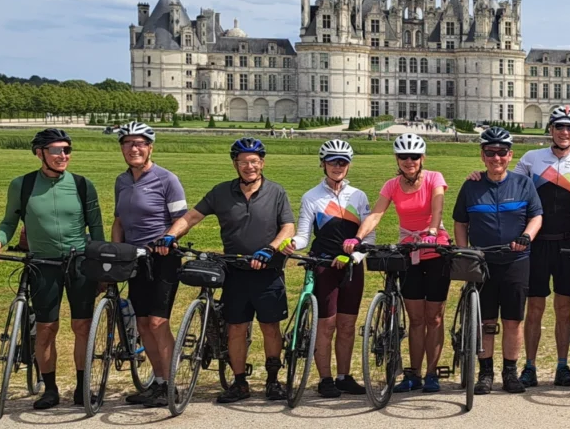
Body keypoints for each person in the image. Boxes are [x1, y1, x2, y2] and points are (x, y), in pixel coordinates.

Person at [156, 137, 296, 403]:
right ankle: (240, 382)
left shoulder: (276, 192)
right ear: (235, 164)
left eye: (254, 161)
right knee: (235, 328)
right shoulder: (221, 192)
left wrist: (271, 248)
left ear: (262, 163)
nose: (249, 167)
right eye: (243, 162)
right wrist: (170, 235)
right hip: (235, 271)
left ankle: (273, 380)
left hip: (268, 270)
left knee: (270, 327)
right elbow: (191, 216)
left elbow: (288, 227)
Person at [0, 128, 105, 409]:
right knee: (47, 329)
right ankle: (50, 389)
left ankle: (82, 387)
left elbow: (96, 229)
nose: (63, 156)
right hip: (42, 265)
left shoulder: (83, 185)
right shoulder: (21, 185)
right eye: (56, 150)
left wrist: (101, 265)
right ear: (40, 154)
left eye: (67, 150)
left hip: (79, 263)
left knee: (82, 326)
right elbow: (9, 222)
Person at [344, 133, 452, 393]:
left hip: (436, 249)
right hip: (410, 252)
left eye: (414, 156)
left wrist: (433, 229)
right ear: (397, 159)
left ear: (422, 158)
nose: (409, 161)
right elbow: (377, 213)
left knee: (434, 317)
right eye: (403, 156)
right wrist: (358, 237)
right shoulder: (392, 185)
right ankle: (413, 374)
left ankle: (432, 374)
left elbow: (437, 206)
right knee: (416, 318)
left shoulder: (434, 178)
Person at [511, 105, 570, 387]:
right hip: (537, 243)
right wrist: (479, 178)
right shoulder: (531, 158)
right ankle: (529, 366)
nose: (564, 132)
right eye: (559, 127)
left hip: (567, 245)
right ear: (550, 130)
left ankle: (562, 366)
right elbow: (509, 185)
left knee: (564, 309)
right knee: (536, 308)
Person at [452, 127, 543, 395]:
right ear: (482, 156)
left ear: (510, 155)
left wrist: (526, 237)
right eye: (490, 153)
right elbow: (461, 222)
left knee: (513, 320)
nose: (496, 158)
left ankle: (510, 372)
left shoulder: (522, 183)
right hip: (483, 262)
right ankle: (486, 373)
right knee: (486, 321)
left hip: (516, 259)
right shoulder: (471, 185)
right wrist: (464, 252)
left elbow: (536, 216)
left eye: (501, 152)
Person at [284, 139, 374, 398]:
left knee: (347, 325)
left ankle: (344, 376)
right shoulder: (311, 197)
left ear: (349, 165)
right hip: (324, 265)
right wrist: (293, 243)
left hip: (352, 266)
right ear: (323, 164)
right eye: (332, 161)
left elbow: (369, 237)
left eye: (342, 162)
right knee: (327, 325)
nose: (337, 166)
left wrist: (354, 256)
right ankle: (325, 379)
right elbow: (303, 235)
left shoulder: (358, 196)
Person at [109, 122, 189, 408]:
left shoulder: (167, 179)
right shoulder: (122, 181)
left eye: (140, 143)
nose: (134, 148)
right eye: (128, 143)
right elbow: (119, 221)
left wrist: (168, 237)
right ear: (122, 148)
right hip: (134, 259)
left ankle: (170, 384)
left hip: (162, 258)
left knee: (158, 322)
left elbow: (182, 219)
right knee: (142, 323)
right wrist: (116, 251)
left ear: (150, 147)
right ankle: (157, 381)